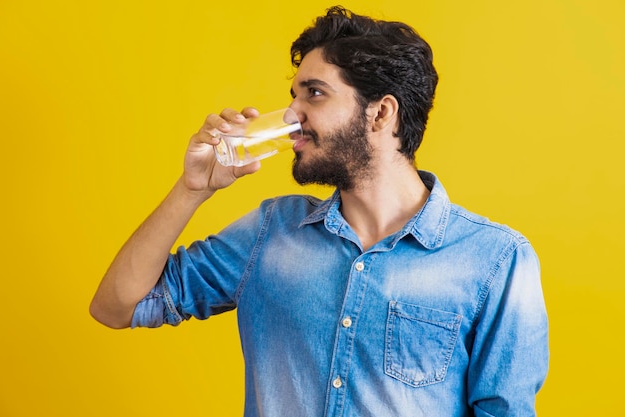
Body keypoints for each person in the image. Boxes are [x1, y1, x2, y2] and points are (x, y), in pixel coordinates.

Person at [90, 5, 548, 416]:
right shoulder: (270, 232)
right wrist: (191, 189)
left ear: (381, 113)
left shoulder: (496, 259)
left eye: (314, 93)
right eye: (294, 95)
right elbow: (116, 307)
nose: (291, 115)